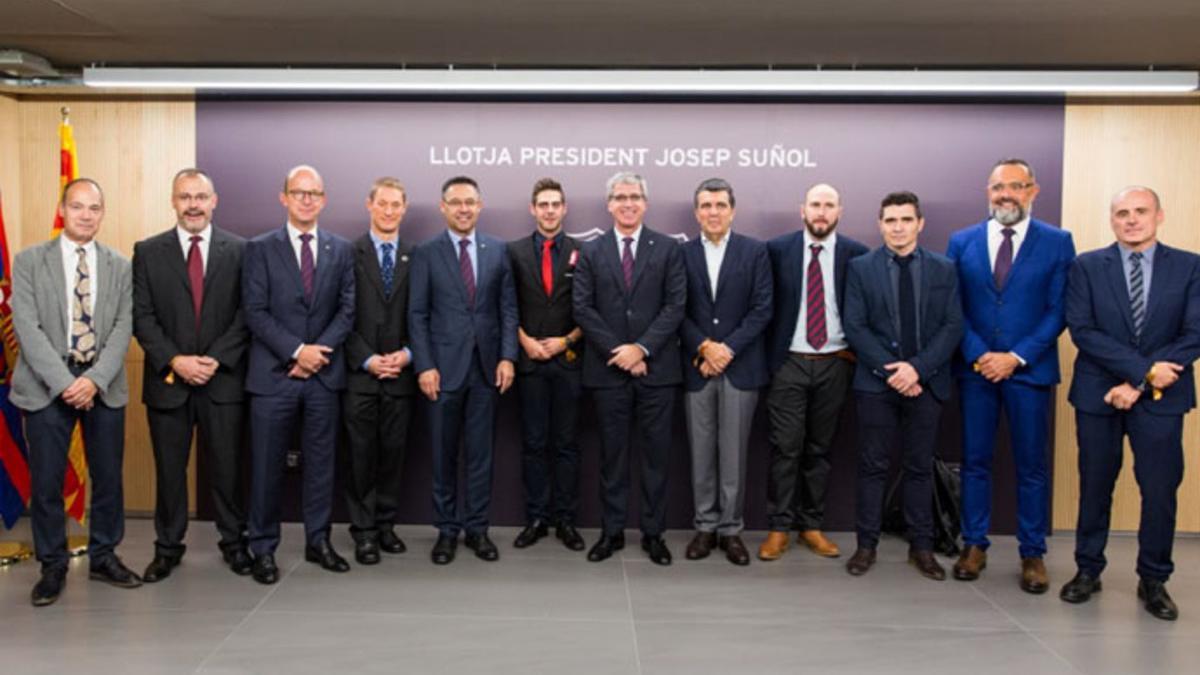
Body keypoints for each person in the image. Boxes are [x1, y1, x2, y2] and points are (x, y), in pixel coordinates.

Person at [1060, 186, 1200, 621]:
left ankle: (1154, 579)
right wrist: (1141, 372)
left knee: (1159, 490)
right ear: (1112, 220)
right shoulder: (1086, 267)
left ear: (1159, 215)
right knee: (1095, 484)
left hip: (1162, 397)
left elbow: (1194, 333)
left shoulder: (1190, 267)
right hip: (1099, 393)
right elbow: (1082, 330)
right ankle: (1088, 570)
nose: (1131, 220)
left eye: (1140, 211)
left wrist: (1140, 383)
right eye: (1122, 213)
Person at [945, 158, 1075, 593]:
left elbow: (1060, 310)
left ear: (1033, 191)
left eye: (1016, 186)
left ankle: (1032, 552)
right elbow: (951, 308)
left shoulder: (1057, 242)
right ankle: (974, 544)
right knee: (975, 461)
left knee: (1032, 465)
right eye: (999, 187)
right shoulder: (961, 242)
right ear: (988, 192)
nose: (1007, 194)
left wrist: (1016, 357)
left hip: (1029, 372)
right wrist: (982, 354)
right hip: (977, 370)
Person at [11, 178, 139, 606]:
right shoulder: (29, 261)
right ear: (62, 209)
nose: (86, 215)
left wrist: (94, 380)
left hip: (102, 383)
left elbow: (124, 327)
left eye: (95, 208)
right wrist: (66, 383)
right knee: (46, 481)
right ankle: (52, 566)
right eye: (78, 206)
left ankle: (104, 555)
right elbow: (26, 329)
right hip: (47, 385)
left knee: (108, 478)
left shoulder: (121, 265)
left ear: (103, 213)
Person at [132, 168, 250, 582]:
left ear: (214, 201)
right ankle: (167, 549)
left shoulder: (239, 250)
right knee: (169, 470)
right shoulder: (148, 252)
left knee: (229, 469)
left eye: (201, 196)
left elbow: (245, 314)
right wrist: (176, 360)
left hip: (223, 382)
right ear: (173, 201)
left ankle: (235, 543)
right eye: (185, 197)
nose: (193, 204)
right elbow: (142, 318)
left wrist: (215, 359)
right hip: (169, 383)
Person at [242, 165, 355, 584]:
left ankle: (318, 541)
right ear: (283, 197)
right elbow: (254, 310)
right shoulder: (259, 248)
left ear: (324, 200)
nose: (307, 199)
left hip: (323, 376)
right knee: (267, 466)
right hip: (274, 376)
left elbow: (347, 310)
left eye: (314, 193)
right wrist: (295, 351)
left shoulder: (340, 250)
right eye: (299, 192)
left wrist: (316, 355)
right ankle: (263, 548)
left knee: (322, 465)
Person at [842, 191, 963, 580]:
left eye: (906, 220)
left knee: (919, 467)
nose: (898, 227)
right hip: (877, 385)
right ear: (880, 224)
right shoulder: (861, 268)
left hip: (926, 385)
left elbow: (952, 326)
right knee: (872, 466)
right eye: (891, 220)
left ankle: (922, 547)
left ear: (919, 224)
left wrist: (918, 370)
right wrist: (894, 372)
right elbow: (855, 327)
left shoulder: (945, 268)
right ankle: (866, 546)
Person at [572, 171, 685, 566]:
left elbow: (675, 306)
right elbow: (582, 308)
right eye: (620, 197)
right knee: (612, 457)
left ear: (645, 203)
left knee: (656, 458)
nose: (627, 203)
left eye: (634, 196)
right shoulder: (591, 251)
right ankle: (612, 532)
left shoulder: (669, 249)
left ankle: (654, 534)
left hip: (658, 372)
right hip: (608, 372)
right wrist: (619, 352)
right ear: (609, 204)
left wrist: (641, 349)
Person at [409, 176, 518, 565]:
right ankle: (446, 531)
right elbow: (417, 315)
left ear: (480, 205)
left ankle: (477, 529)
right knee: (443, 455)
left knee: (480, 456)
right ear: (443, 207)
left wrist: (508, 357)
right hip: (442, 371)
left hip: (487, 370)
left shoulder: (497, 250)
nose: (463, 208)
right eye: (456, 202)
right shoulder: (426, 253)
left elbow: (507, 309)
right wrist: (424, 365)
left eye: (470, 202)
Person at [759, 183, 868, 561]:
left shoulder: (856, 255)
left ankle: (811, 526)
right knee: (785, 449)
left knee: (819, 451)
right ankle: (778, 528)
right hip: (789, 362)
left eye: (829, 205)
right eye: (815, 205)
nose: (821, 212)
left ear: (840, 211)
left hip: (835, 363)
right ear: (801, 209)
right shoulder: (776, 251)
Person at [679, 178, 772, 566]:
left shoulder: (755, 252)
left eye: (719, 205)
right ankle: (705, 526)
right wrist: (703, 346)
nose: (713, 212)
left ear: (732, 210)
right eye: (705, 206)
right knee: (701, 453)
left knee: (733, 454)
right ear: (696, 212)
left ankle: (731, 530)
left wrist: (726, 349)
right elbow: (675, 309)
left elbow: (762, 308)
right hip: (698, 368)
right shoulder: (680, 254)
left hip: (740, 368)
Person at [506, 178, 585, 551]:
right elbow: (506, 305)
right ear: (533, 209)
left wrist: (566, 341)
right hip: (530, 362)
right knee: (534, 444)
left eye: (556, 204)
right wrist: (523, 342)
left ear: (564, 208)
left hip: (569, 360)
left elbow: (592, 309)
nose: (550, 210)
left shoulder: (584, 252)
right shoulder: (514, 252)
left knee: (567, 445)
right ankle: (537, 518)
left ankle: (566, 520)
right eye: (543, 204)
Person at [343, 177, 417, 565]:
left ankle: (386, 525)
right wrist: (368, 359)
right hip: (360, 375)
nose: (389, 211)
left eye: (396, 205)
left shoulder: (414, 255)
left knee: (393, 454)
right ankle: (364, 531)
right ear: (369, 205)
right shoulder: (347, 253)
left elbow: (423, 315)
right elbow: (339, 316)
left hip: (402, 374)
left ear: (404, 209)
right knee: (360, 457)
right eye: (382, 204)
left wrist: (407, 354)